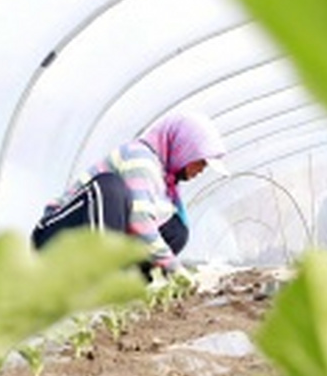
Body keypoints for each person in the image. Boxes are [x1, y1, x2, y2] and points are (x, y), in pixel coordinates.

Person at [32, 112, 225, 278]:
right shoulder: (139, 158)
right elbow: (140, 221)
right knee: (110, 188)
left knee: (174, 228)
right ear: (184, 148)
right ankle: (99, 280)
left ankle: (125, 283)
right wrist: (175, 268)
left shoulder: (164, 179)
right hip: (55, 239)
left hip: (93, 246)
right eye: (200, 161)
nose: (202, 170)